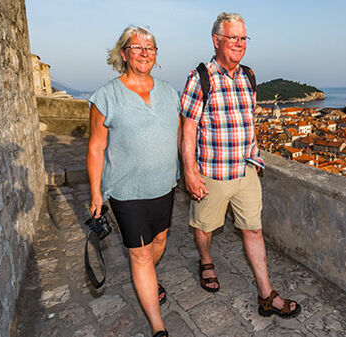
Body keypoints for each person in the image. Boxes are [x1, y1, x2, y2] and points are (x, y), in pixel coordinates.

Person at [180, 12, 301, 318]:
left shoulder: (248, 75)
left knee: (254, 231)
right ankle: (206, 260)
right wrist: (190, 172)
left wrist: (255, 154)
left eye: (243, 38)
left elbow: (249, 122)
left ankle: (266, 294)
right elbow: (188, 129)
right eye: (232, 37)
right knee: (205, 227)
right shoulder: (200, 77)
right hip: (214, 172)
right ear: (216, 40)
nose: (239, 43)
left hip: (246, 170)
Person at [87, 26, 179, 337]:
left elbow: (182, 136)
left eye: (150, 48)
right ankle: (158, 326)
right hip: (126, 190)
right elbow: (96, 147)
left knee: (159, 242)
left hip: (164, 185)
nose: (144, 53)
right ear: (124, 54)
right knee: (139, 253)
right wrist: (96, 193)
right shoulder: (106, 96)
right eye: (136, 47)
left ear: (156, 55)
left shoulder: (169, 93)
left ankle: (148, 279)